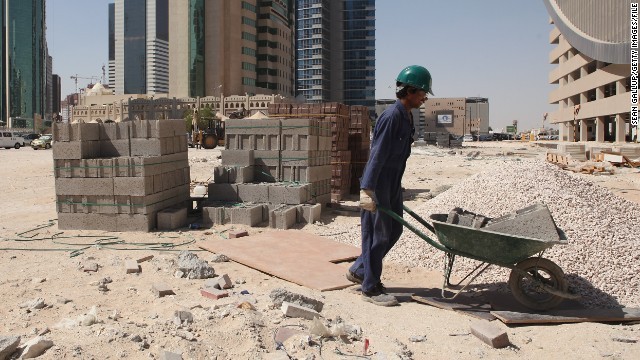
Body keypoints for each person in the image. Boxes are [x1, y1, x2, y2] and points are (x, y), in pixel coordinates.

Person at [347, 65, 433, 306]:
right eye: (422, 93)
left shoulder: (406, 116)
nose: (424, 98)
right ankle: (371, 287)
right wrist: (367, 188)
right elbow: (377, 154)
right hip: (379, 183)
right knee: (377, 235)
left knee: (394, 230)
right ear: (410, 91)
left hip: (393, 182)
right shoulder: (391, 116)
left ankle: (360, 269)